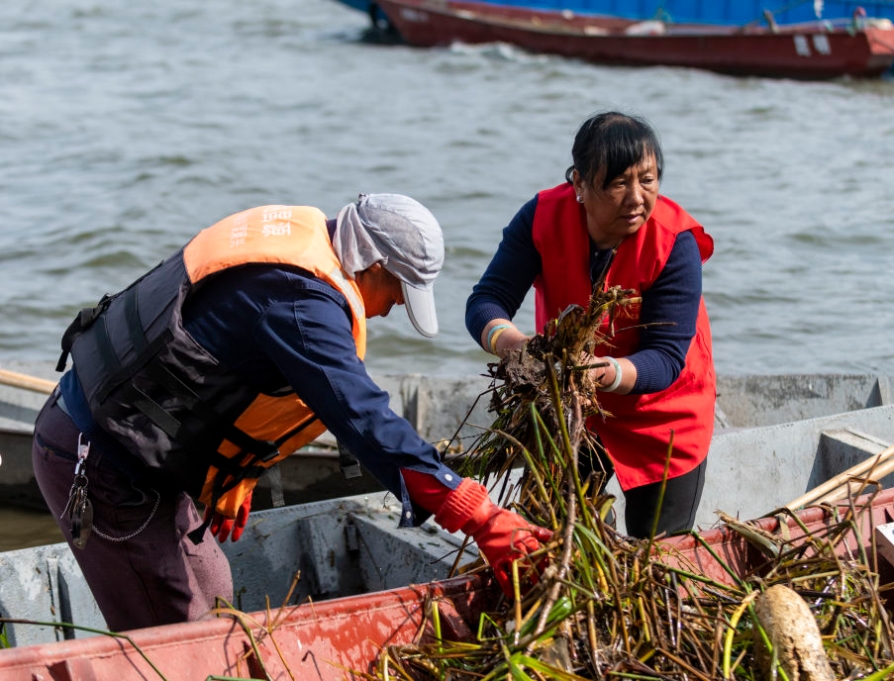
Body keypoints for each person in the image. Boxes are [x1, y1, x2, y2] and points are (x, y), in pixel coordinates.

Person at [32, 194, 551, 632]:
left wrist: (239, 467)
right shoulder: (301, 302)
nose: (393, 308)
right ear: (371, 265)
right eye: (397, 292)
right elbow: (363, 418)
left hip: (135, 444)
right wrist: (479, 514)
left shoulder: (299, 247)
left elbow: (226, 354)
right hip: (100, 462)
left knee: (214, 587)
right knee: (176, 635)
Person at [465, 112, 716, 539]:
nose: (636, 198)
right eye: (618, 183)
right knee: (551, 537)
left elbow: (667, 358)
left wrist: (600, 372)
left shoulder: (675, 241)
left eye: (649, 180)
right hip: (573, 411)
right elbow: (486, 302)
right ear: (579, 183)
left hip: (665, 414)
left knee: (655, 557)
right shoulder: (542, 217)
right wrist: (518, 348)